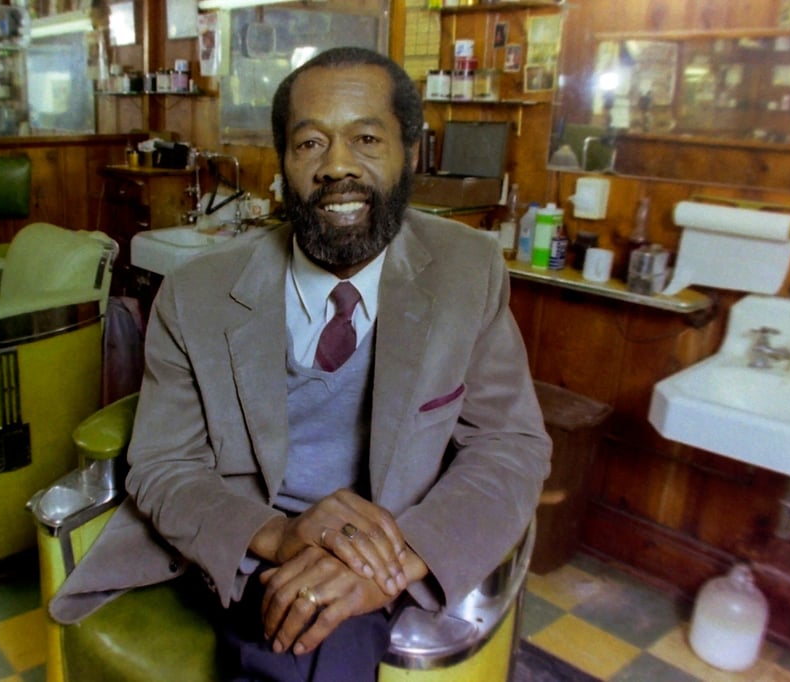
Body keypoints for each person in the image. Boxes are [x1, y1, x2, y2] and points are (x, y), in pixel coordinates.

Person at [51, 46, 551, 681]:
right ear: (284, 163)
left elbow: (511, 444)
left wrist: (389, 562)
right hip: (252, 541)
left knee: (315, 637)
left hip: (392, 539)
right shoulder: (199, 294)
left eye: (366, 137)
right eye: (310, 143)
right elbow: (162, 465)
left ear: (411, 154)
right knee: (293, 633)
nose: (336, 165)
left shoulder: (465, 270)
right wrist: (280, 538)